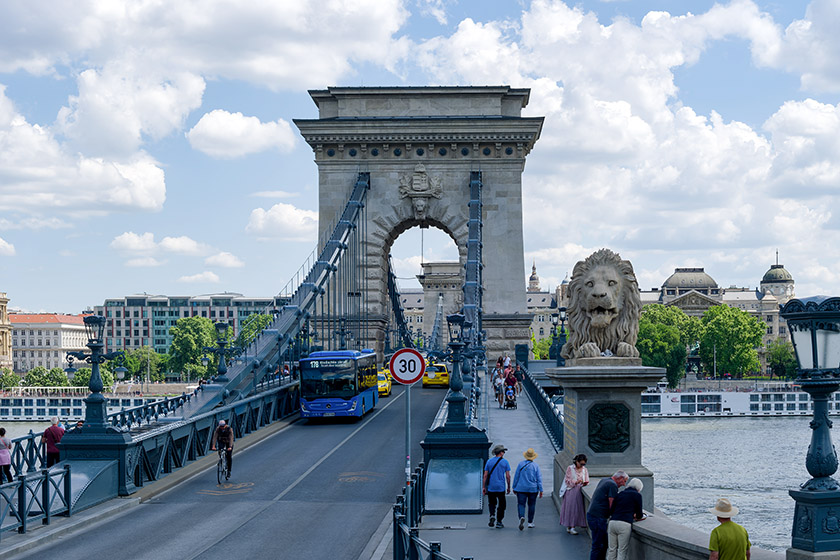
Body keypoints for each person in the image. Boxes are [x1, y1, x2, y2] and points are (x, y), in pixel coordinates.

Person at [587, 470, 629, 560]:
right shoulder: (612, 485)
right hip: (598, 518)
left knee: (603, 543)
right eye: (624, 481)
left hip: (592, 514)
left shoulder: (605, 480)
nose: (624, 484)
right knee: (598, 545)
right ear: (620, 478)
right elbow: (612, 503)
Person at [607, 478, 645, 560]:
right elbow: (639, 514)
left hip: (612, 522)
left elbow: (612, 510)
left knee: (611, 549)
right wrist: (635, 516)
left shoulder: (620, 494)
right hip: (624, 524)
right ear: (638, 488)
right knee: (622, 551)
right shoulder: (637, 495)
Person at [512, 448, 543, 530]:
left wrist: (514, 487)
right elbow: (539, 479)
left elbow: (516, 477)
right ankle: (530, 522)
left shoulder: (520, 464)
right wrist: (541, 490)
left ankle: (521, 517)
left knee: (521, 504)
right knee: (531, 505)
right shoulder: (536, 466)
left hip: (521, 488)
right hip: (533, 489)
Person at [559, 453, 589, 534]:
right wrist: (575, 482)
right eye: (581, 463)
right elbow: (567, 480)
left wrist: (584, 482)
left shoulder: (584, 469)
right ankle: (571, 526)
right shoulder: (570, 468)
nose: (582, 465)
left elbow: (586, 479)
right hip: (571, 490)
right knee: (571, 508)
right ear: (577, 461)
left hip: (579, 490)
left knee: (577, 509)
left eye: (584, 464)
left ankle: (571, 526)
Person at [483, 444, 511, 528]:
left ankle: (492, 515)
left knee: (492, 503)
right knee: (502, 505)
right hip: (500, 487)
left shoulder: (489, 461)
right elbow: (508, 476)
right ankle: (499, 521)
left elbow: (485, 475)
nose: (504, 453)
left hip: (491, 487)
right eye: (503, 451)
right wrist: (509, 487)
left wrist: (484, 487)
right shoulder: (505, 462)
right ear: (500, 453)